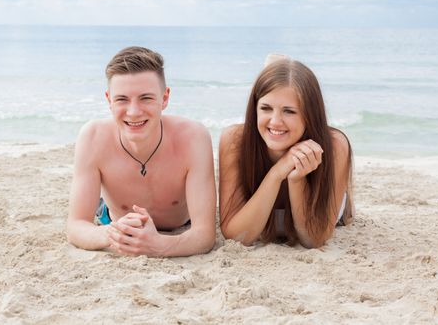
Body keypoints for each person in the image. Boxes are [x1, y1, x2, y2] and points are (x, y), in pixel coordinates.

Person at [67, 46, 216, 257]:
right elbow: (76, 226)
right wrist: (113, 233)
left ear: (164, 99)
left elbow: (204, 235)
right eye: (122, 99)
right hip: (113, 219)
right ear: (109, 100)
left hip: (181, 223)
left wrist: (159, 246)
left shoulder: (194, 137)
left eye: (146, 98)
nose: (134, 112)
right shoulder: (92, 137)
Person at [219, 55, 354, 248]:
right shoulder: (235, 140)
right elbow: (237, 236)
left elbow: (312, 239)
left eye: (289, 111)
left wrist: (296, 179)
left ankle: (277, 65)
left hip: (324, 206)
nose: (275, 121)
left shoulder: (335, 145)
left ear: (310, 115)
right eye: (265, 108)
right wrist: (276, 173)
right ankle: (276, 65)